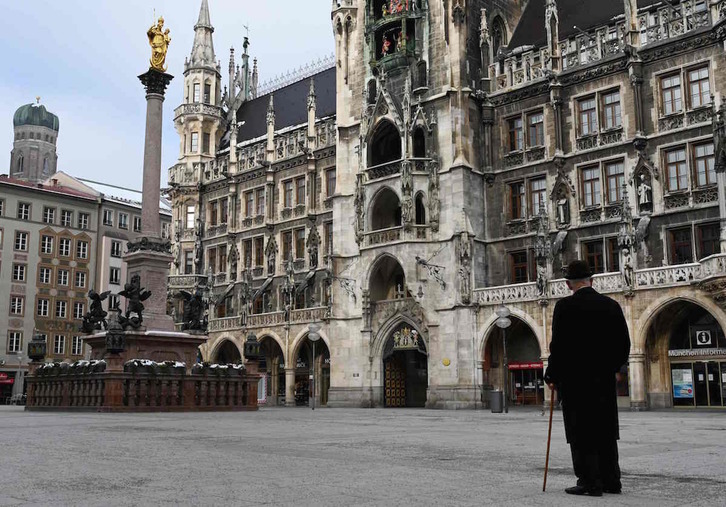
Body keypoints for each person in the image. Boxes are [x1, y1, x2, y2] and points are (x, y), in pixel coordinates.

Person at [544, 260, 630, 496]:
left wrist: (552, 374)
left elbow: (558, 346)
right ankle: (612, 481)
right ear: (592, 281)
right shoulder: (611, 306)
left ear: (568, 284)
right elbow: (624, 345)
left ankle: (590, 482)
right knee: (605, 430)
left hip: (575, 382)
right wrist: (609, 368)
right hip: (602, 381)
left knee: (581, 431)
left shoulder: (564, 307)